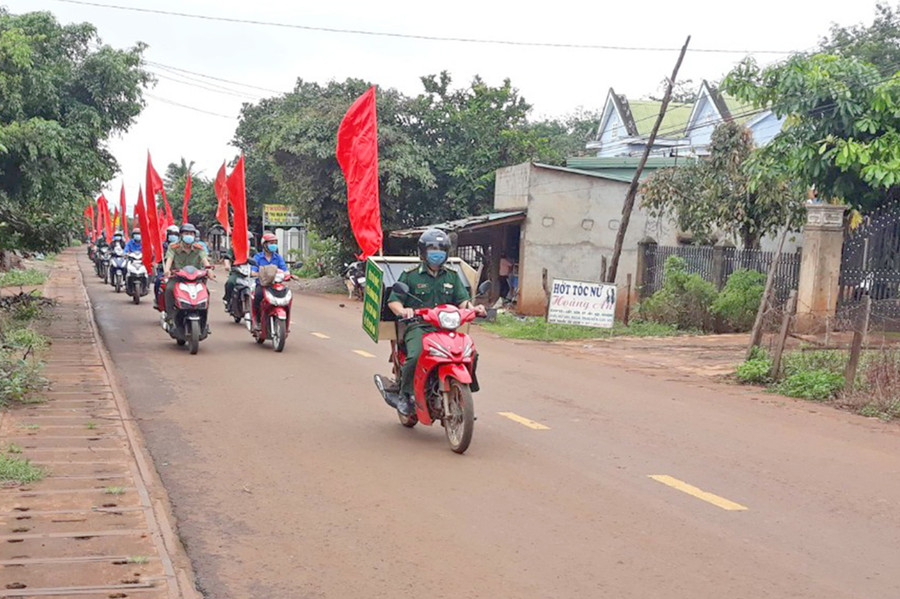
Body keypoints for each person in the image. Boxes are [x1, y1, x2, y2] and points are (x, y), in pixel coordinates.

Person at [387, 229, 486, 416]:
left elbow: (462, 301)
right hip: (418, 327)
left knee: (471, 354)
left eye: (441, 249)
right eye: (432, 248)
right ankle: (405, 395)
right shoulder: (411, 275)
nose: (437, 253)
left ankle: (463, 394)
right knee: (415, 356)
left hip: (445, 328)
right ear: (423, 251)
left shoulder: (452, 276)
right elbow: (394, 301)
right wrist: (403, 311)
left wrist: (473, 309)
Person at [163, 223, 212, 322]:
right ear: (181, 235)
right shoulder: (173, 246)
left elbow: (205, 260)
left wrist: (209, 271)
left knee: (205, 293)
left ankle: (204, 320)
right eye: (186, 233)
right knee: (169, 289)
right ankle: (170, 316)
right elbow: (169, 259)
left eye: (191, 234)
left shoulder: (199, 248)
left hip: (196, 278)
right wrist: (167, 271)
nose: (189, 236)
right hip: (177, 277)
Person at [250, 232, 288, 329]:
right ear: (264, 244)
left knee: (286, 297)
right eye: (271, 243)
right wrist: (261, 273)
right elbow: (253, 272)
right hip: (262, 285)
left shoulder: (278, 257)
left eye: (275, 243)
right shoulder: (258, 257)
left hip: (275, 286)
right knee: (258, 297)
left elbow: (285, 271)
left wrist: (287, 275)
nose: (273, 245)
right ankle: (257, 320)